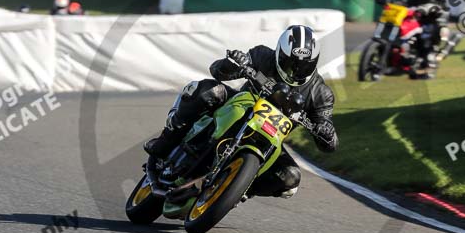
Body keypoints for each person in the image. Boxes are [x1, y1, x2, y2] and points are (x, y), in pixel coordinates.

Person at [145, 25, 338, 198]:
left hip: (270, 137)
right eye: (291, 63)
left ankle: (238, 188)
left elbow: (329, 139)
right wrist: (232, 64)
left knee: (290, 180)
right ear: (279, 54)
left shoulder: (321, 93)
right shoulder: (262, 56)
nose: (295, 71)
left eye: (304, 65)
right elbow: (217, 71)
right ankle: (167, 140)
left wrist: (326, 133)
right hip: (239, 106)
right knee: (205, 90)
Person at [377, 0, 451, 76]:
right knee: (395, 26)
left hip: (431, 9)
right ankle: (391, 58)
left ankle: (429, 60)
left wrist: (431, 7)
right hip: (411, 8)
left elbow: (441, 0)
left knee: (430, 32)